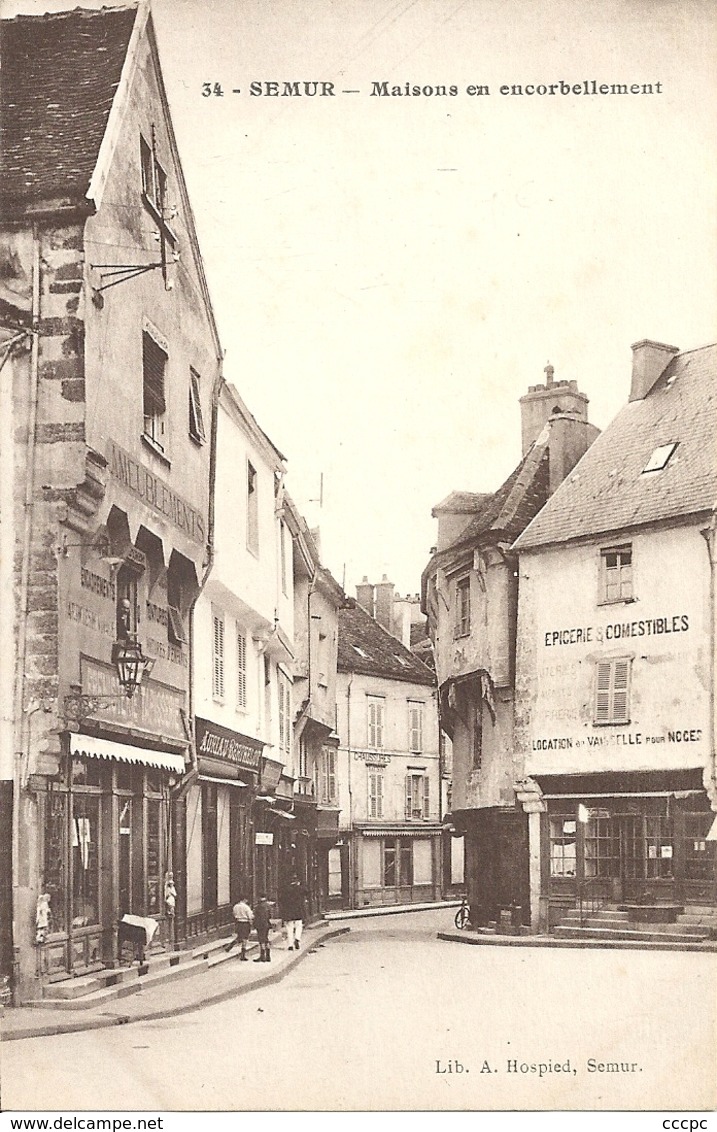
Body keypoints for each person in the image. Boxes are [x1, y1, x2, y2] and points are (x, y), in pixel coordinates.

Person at [282, 874, 306, 951]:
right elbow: (306, 891)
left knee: (289, 928)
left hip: (289, 912)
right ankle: (297, 938)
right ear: (297, 881)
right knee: (299, 926)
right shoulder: (300, 889)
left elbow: (282, 900)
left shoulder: (285, 889)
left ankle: (290, 945)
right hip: (298, 911)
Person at [226, 895, 254, 960]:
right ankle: (243, 955)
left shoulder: (235, 906)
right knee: (245, 938)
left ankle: (230, 946)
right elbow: (250, 916)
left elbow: (234, 914)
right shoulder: (246, 907)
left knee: (240, 936)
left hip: (238, 922)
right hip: (245, 923)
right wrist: (251, 923)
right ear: (244, 899)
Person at [252, 892, 273, 962]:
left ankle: (262, 956)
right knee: (266, 939)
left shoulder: (258, 906)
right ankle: (268, 956)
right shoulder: (268, 906)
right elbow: (270, 915)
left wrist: (254, 924)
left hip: (260, 925)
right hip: (267, 924)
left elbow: (256, 916)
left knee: (261, 940)